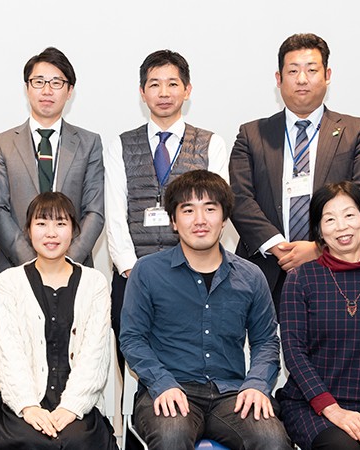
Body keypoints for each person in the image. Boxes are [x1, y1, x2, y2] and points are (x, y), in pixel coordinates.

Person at [121, 170, 290, 450]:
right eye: (188, 210)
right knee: (171, 437)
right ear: (174, 221)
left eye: (210, 209)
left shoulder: (250, 276)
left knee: (272, 440)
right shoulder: (148, 271)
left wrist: (257, 384)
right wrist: (162, 382)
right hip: (171, 388)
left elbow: (266, 341)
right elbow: (132, 338)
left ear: (224, 218)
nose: (200, 220)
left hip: (232, 394)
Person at [230, 33, 360, 313]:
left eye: (311, 70)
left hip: (337, 271)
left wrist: (318, 247)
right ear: (278, 79)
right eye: (293, 71)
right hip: (265, 272)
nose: (302, 79)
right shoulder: (251, 135)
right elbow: (239, 198)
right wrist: (278, 246)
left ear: (327, 75)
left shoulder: (359, 132)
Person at [104, 49, 228, 372]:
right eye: (154, 84)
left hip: (193, 275)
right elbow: (115, 214)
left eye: (172, 84)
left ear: (187, 90)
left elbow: (216, 213)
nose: (163, 93)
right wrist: (132, 270)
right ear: (142, 92)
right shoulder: (120, 144)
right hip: (132, 275)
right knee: (132, 359)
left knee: (191, 359)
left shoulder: (211, 144)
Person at [277, 181, 360, 450]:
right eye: (330, 219)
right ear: (319, 230)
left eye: (349, 215)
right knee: (341, 446)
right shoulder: (300, 279)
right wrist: (332, 409)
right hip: (310, 404)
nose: (341, 226)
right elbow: (294, 352)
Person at [0, 192, 118, 449]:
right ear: (28, 230)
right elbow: (9, 354)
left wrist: (71, 407)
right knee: (32, 441)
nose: (51, 233)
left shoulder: (94, 283)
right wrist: (28, 406)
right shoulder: (9, 283)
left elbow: (95, 354)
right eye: (42, 223)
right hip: (24, 403)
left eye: (61, 223)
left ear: (74, 230)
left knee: (75, 441)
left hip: (79, 405)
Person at [0, 47, 104, 278]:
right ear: (27, 88)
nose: (47, 90)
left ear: (70, 91)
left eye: (56, 83)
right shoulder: (2, 143)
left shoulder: (89, 143)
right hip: (16, 270)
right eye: (39, 82)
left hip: (75, 271)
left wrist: (66, 262)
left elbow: (94, 210)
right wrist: (33, 263)